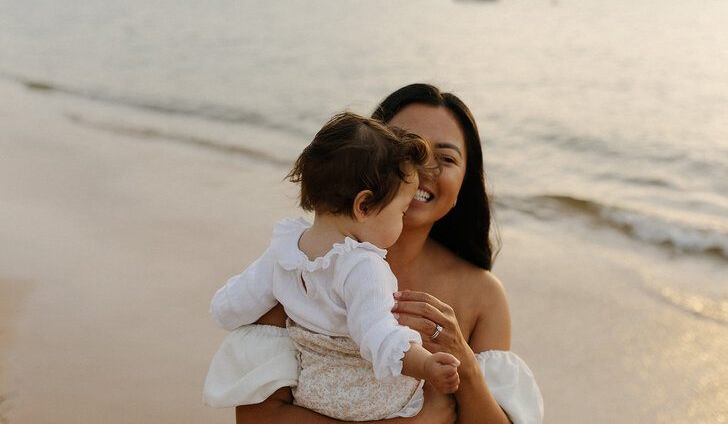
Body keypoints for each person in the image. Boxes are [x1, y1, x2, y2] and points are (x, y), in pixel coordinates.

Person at [208, 84, 543, 424]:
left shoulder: (482, 295)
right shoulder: (307, 267)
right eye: (407, 147)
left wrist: (467, 366)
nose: (422, 171)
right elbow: (257, 418)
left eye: (446, 158)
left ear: (463, 186)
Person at [204, 112, 462, 420]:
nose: (402, 223)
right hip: (370, 401)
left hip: (312, 393)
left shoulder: (284, 251)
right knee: (441, 407)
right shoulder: (363, 266)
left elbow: (230, 308)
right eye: (401, 211)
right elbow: (379, 336)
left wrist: (223, 309)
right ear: (363, 205)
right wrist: (426, 365)